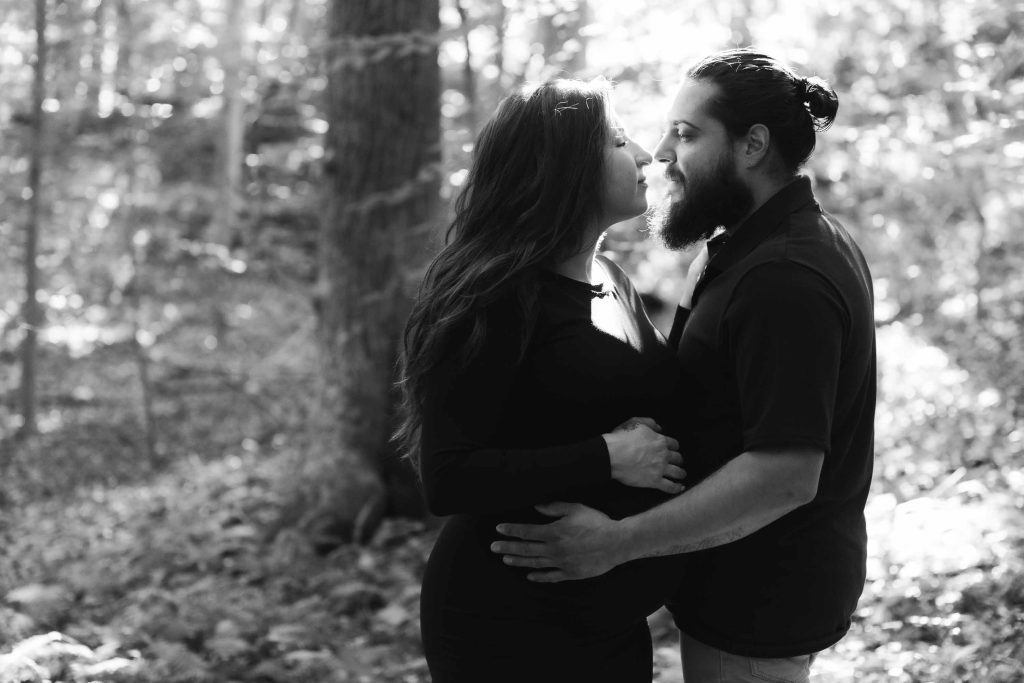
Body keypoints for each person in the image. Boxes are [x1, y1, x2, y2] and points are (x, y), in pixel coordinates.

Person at [492, 49, 877, 683]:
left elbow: (785, 475)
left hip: (758, 605)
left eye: (687, 134)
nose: (662, 152)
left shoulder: (784, 276)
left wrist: (617, 542)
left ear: (752, 145)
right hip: (734, 589)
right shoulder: (752, 248)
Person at [396, 78, 692, 682]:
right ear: (565, 166)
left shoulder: (612, 278)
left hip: (606, 615)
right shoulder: (497, 297)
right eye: (617, 141)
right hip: (508, 619)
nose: (643, 155)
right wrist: (606, 457)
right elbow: (448, 475)